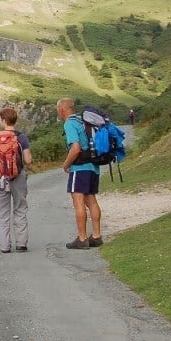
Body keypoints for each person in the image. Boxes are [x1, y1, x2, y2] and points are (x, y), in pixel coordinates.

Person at [57, 98, 102, 249]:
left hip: (80, 168)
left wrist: (66, 164)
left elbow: (75, 148)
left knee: (78, 202)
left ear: (62, 109)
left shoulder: (69, 123)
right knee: (92, 201)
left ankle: (82, 238)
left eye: (58, 110)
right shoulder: (83, 121)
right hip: (93, 167)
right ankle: (96, 236)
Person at [0, 107, 33, 253]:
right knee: (20, 208)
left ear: (3, 120)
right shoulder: (22, 137)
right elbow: (28, 160)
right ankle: (21, 244)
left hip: (0, 178)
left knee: (1, 212)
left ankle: (4, 246)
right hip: (18, 176)